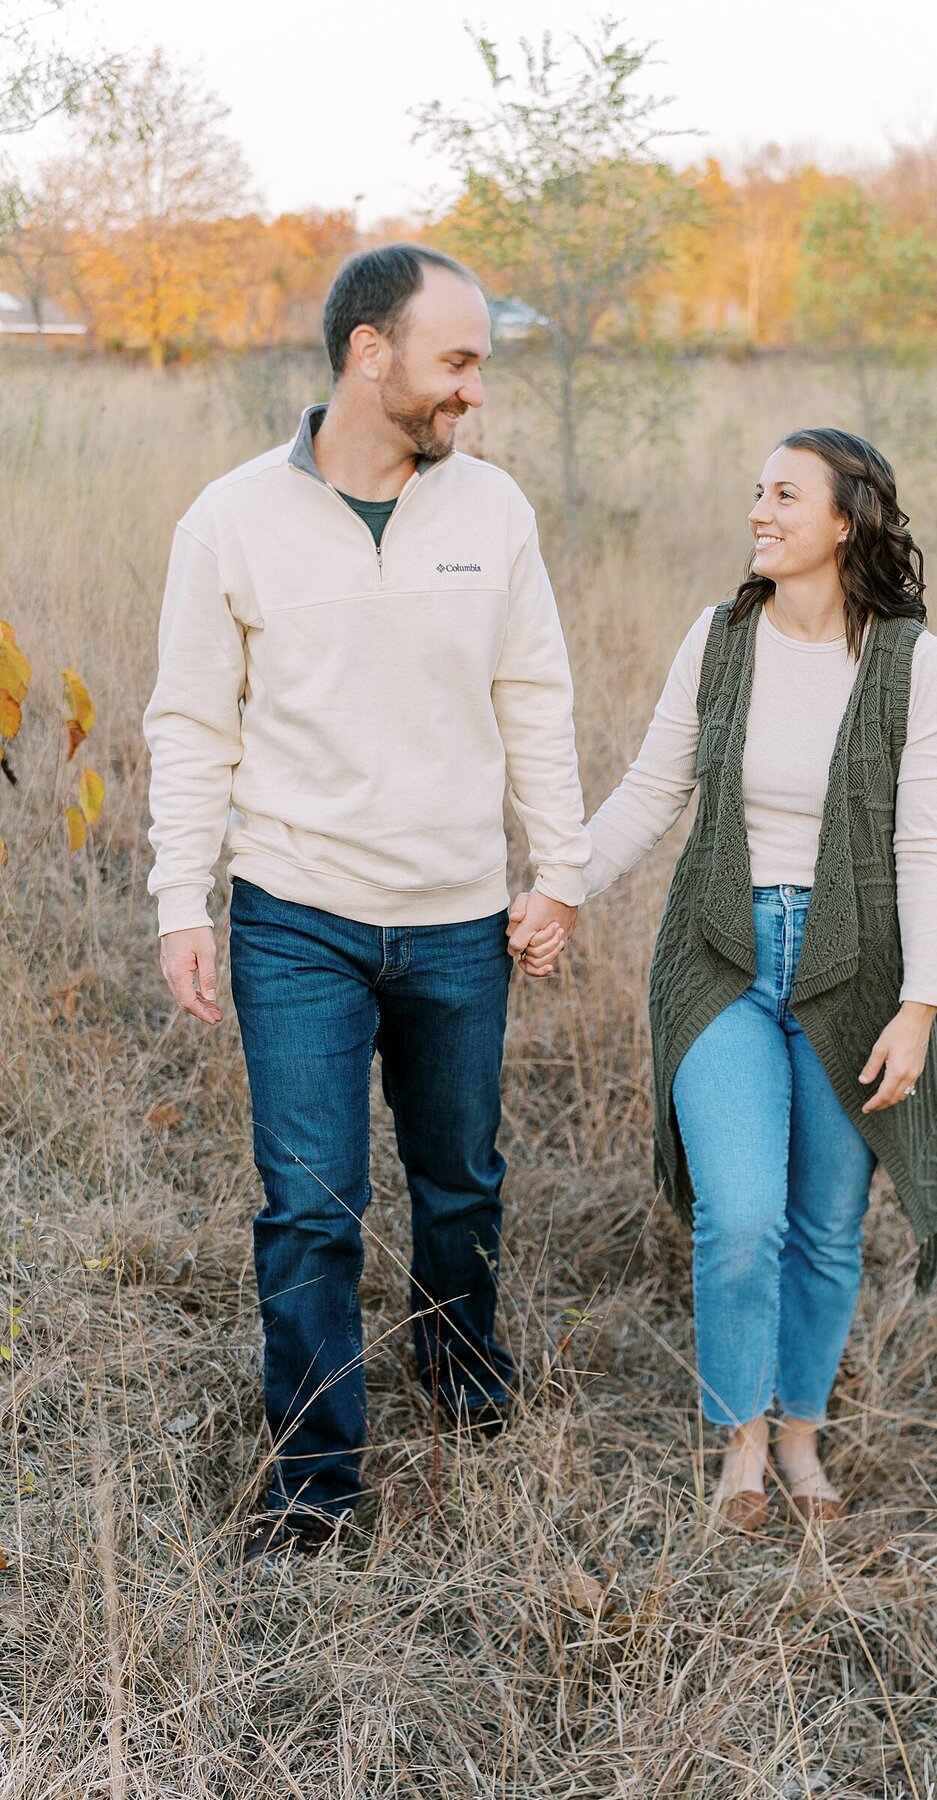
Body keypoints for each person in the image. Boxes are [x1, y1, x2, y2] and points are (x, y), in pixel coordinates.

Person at [144, 244, 581, 1564]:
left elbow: (536, 696)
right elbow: (186, 720)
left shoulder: (492, 513)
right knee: (311, 1207)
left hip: (458, 917)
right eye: (457, 363)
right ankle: (315, 1485)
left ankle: (462, 1392)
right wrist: (181, 900)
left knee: (458, 1187)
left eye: (482, 367)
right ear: (370, 355)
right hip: (296, 914)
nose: (477, 394)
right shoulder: (230, 519)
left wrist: (555, 870)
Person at [513, 428, 937, 1531]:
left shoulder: (911, 664)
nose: (758, 512)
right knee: (743, 1213)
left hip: (854, 974)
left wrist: (920, 1007)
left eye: (783, 495)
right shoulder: (721, 641)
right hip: (720, 958)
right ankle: (743, 1446)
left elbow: (928, 844)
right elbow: (651, 789)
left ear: (845, 520)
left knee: (824, 1223)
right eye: (755, 492)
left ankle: (803, 1437)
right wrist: (563, 886)